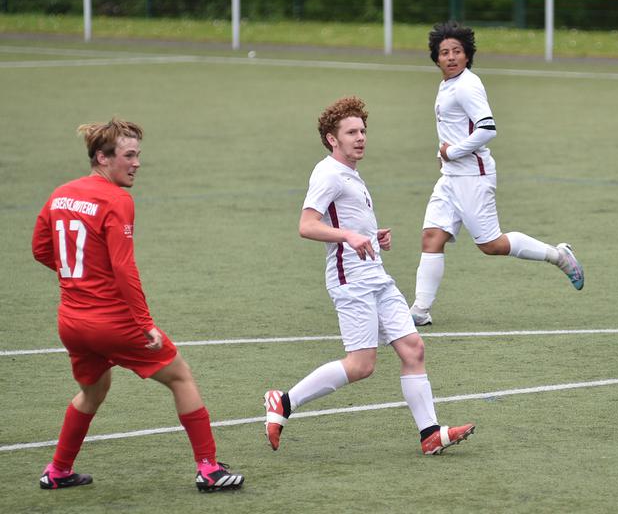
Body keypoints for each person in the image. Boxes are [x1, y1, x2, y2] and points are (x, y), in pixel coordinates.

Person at [31, 119, 244, 492]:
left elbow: (41, 250)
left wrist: (79, 276)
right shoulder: (117, 199)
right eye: (129, 156)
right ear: (103, 157)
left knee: (92, 392)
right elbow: (123, 267)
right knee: (180, 377)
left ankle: (58, 469)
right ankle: (209, 469)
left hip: (72, 322)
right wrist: (143, 321)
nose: (137, 163)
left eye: (138, 155)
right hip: (112, 321)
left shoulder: (60, 193)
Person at [263, 96, 475, 455]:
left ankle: (430, 433)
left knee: (413, 349)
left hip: (376, 274)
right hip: (351, 279)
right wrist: (347, 235)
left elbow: (346, 221)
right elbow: (307, 225)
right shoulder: (327, 173)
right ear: (333, 139)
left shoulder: (351, 174)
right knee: (361, 365)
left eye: (362, 130)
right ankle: (283, 401)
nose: (360, 137)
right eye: (351, 132)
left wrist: (371, 237)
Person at [408, 21, 585, 327]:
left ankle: (558, 256)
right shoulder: (448, 84)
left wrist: (453, 152)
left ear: (467, 55)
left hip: (473, 177)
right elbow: (455, 129)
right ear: (436, 58)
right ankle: (420, 311)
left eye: (457, 52)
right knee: (432, 237)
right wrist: (444, 155)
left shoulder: (467, 85)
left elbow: (487, 129)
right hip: (451, 178)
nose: (450, 57)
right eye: (444, 52)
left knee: (491, 245)